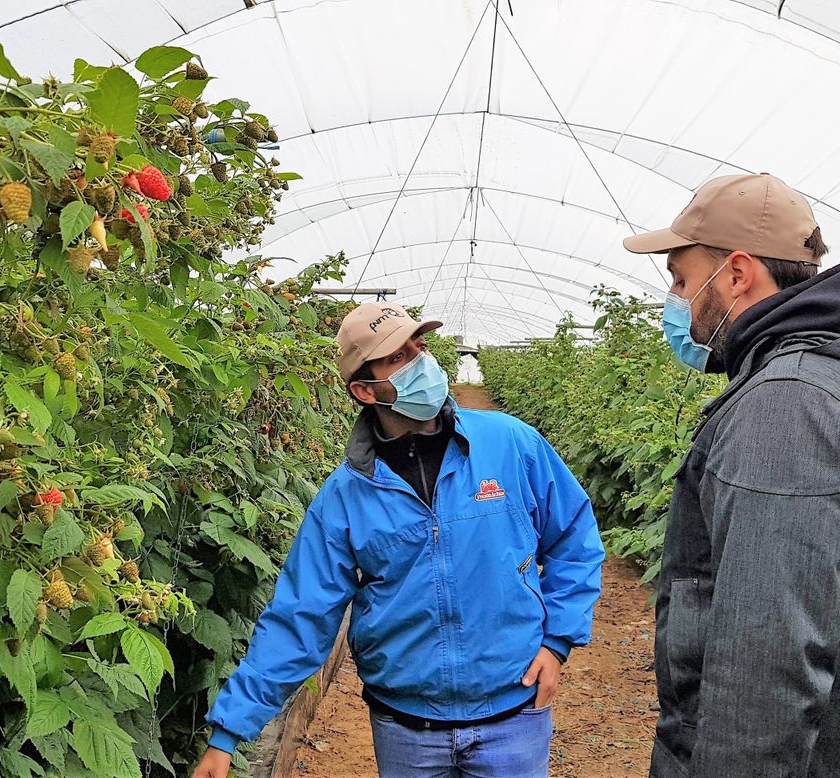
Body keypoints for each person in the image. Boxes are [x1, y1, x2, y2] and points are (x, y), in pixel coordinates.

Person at [621, 174, 840, 777]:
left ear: (738, 274)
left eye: (681, 279)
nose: (675, 300)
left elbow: (765, 667)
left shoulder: (788, 405)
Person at [190, 302, 604, 778]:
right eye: (398, 358)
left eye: (418, 346)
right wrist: (228, 734)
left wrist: (556, 641)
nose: (422, 362)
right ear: (365, 390)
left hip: (512, 714)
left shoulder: (511, 444)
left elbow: (574, 537)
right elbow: (301, 615)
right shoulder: (346, 496)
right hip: (407, 727)